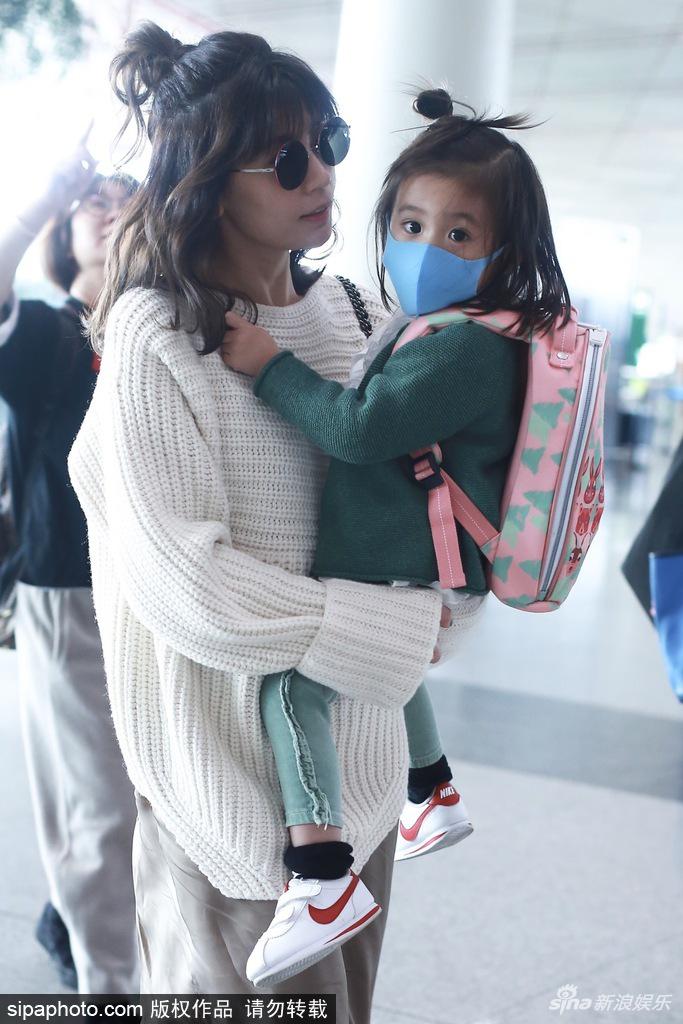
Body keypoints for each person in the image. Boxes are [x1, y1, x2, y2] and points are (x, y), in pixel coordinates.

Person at [67, 22, 448, 1013]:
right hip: (229, 815)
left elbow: (416, 514)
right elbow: (194, 589)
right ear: (206, 180)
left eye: (328, 140)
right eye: (285, 158)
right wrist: (391, 631)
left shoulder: (358, 315)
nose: (319, 172)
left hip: (360, 793)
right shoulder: (159, 336)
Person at [221, 89, 571, 986]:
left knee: (291, 691)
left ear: (504, 251)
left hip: (404, 562)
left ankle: (321, 875)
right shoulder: (445, 330)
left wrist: (270, 368)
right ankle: (432, 789)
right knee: (395, 666)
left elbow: (358, 429)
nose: (423, 249)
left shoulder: (465, 347)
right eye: (410, 224)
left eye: (458, 235)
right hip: (409, 559)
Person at [0, 147, 140, 993]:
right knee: (99, 809)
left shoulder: (170, 331)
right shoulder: (48, 335)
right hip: (70, 594)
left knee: (156, 801)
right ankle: (108, 987)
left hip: (164, 598)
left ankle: (78, 923)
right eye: (92, 201)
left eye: (127, 198)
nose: (109, 208)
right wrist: (37, 206)